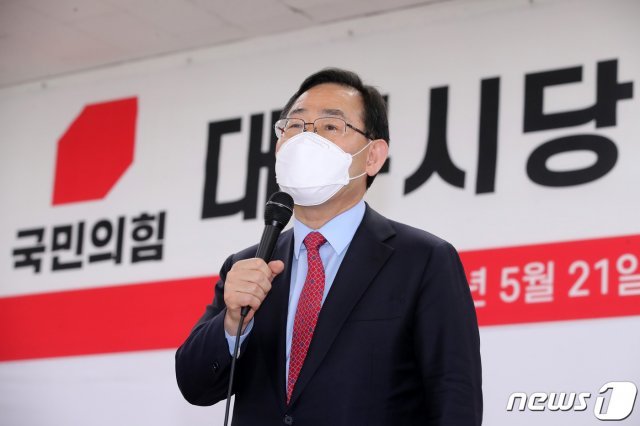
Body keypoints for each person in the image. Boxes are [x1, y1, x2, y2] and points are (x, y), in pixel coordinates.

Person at [175, 68, 483, 425]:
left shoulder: (423, 260)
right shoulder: (249, 265)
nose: (306, 139)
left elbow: (454, 396)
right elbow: (194, 386)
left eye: (330, 126)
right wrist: (232, 324)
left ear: (373, 156)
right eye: (294, 126)